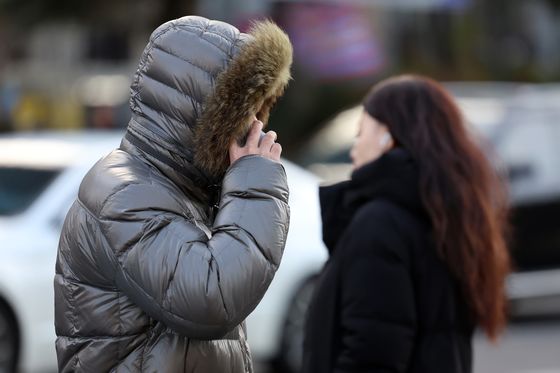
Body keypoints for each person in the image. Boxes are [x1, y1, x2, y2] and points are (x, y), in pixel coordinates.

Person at [54, 16, 292, 372]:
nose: (256, 127)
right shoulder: (123, 193)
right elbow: (211, 298)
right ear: (201, 116)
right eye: (244, 114)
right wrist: (257, 182)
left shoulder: (182, 192)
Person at [303, 75, 511, 373]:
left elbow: (372, 355)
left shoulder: (379, 224)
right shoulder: (445, 215)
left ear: (387, 136)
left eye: (361, 133)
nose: (353, 149)